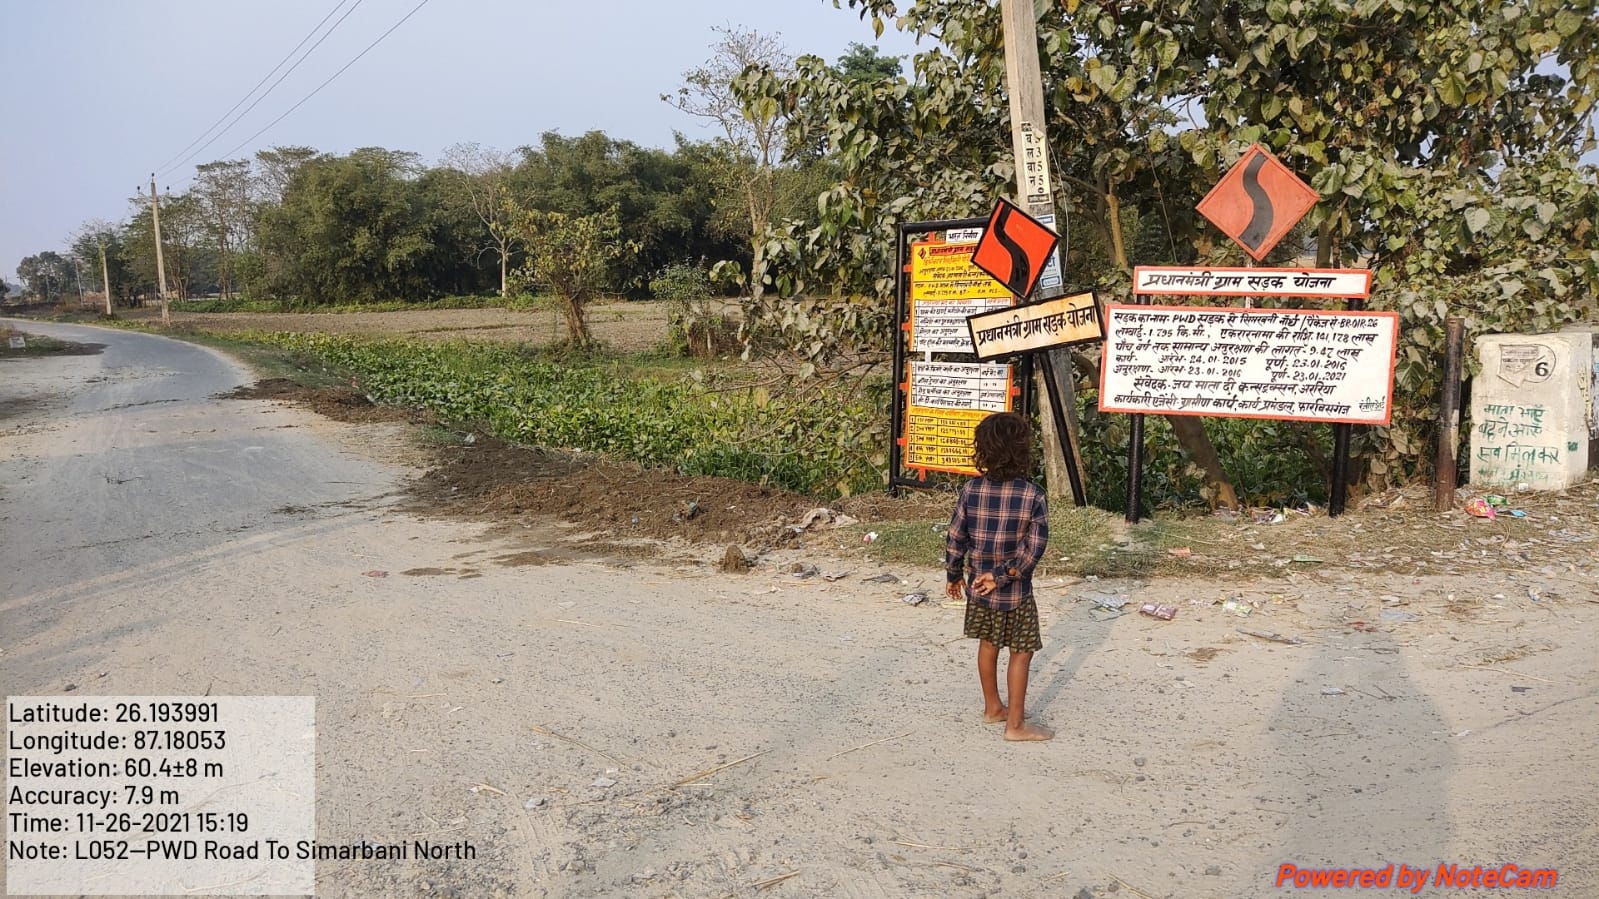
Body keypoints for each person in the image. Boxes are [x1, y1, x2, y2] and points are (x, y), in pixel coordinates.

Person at [943, 411, 1052, 742]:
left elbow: (955, 537)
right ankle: (1015, 726)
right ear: (1022, 450)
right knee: (1021, 652)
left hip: (979, 587)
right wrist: (1002, 575)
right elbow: (1033, 551)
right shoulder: (1033, 496)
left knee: (988, 644)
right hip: (1016, 592)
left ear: (983, 451)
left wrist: (953, 574)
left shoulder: (971, 490)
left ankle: (993, 708)